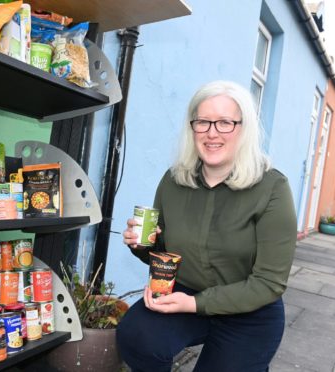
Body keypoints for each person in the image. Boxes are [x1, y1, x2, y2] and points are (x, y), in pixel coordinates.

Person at [117, 80, 297, 372]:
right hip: (185, 293)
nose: (212, 133)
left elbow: (269, 283)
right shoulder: (174, 180)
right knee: (136, 337)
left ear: (244, 129)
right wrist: (142, 245)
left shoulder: (272, 187)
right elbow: (163, 254)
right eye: (203, 122)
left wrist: (194, 304)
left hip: (250, 310)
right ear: (193, 128)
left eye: (225, 122)